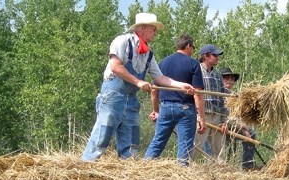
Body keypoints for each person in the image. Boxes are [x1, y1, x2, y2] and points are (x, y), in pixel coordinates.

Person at [82, 13, 195, 161]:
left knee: (131, 142)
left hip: (131, 99)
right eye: (153, 29)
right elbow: (115, 66)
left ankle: (127, 175)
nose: (155, 32)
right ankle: (86, 165)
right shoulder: (122, 41)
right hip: (113, 96)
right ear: (142, 27)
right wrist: (138, 82)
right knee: (103, 134)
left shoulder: (148, 53)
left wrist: (182, 86)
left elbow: (160, 78)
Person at [144, 34, 206, 165]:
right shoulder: (193, 63)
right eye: (193, 47)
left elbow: (154, 89)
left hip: (165, 107)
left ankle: (144, 168)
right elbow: (198, 94)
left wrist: (156, 110)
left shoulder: (163, 62)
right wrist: (201, 118)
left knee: (158, 141)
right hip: (186, 109)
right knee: (184, 146)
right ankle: (180, 176)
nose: (193, 50)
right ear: (188, 46)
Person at [190, 44, 229, 162]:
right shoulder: (197, 71)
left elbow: (222, 98)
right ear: (205, 56)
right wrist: (197, 115)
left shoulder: (217, 74)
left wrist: (224, 120)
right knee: (196, 146)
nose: (217, 58)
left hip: (217, 116)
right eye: (214, 55)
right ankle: (187, 170)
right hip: (202, 115)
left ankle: (223, 174)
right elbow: (193, 94)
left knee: (220, 150)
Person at [220, 67, 258, 170]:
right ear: (221, 80)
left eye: (232, 79)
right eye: (227, 78)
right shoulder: (218, 94)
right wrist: (242, 128)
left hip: (232, 125)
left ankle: (248, 164)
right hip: (218, 124)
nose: (230, 81)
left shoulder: (234, 96)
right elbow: (225, 115)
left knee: (251, 134)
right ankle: (219, 166)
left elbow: (237, 115)